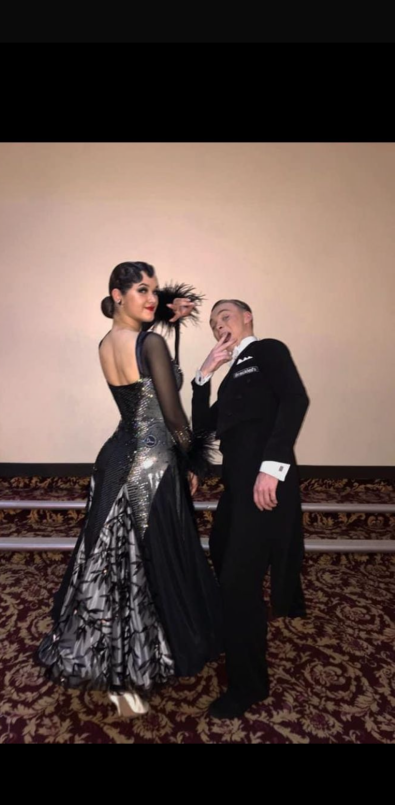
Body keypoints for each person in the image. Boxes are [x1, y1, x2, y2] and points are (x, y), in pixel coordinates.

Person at [37, 261, 222, 717]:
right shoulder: (150, 343)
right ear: (118, 295)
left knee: (117, 558)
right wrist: (194, 460)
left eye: (155, 290)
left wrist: (165, 311)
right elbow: (173, 416)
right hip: (151, 464)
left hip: (116, 457)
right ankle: (158, 648)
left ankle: (109, 648)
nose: (152, 298)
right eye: (143, 290)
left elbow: (141, 374)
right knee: (154, 555)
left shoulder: (108, 341)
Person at [191, 298, 310, 719]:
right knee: (222, 557)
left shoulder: (267, 351)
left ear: (247, 318)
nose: (218, 325)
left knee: (239, 583)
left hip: (265, 483)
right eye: (212, 323)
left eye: (225, 316)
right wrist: (203, 376)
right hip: (236, 489)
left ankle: (249, 685)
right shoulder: (229, 381)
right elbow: (203, 428)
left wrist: (272, 468)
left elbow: (295, 400)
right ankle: (237, 636)